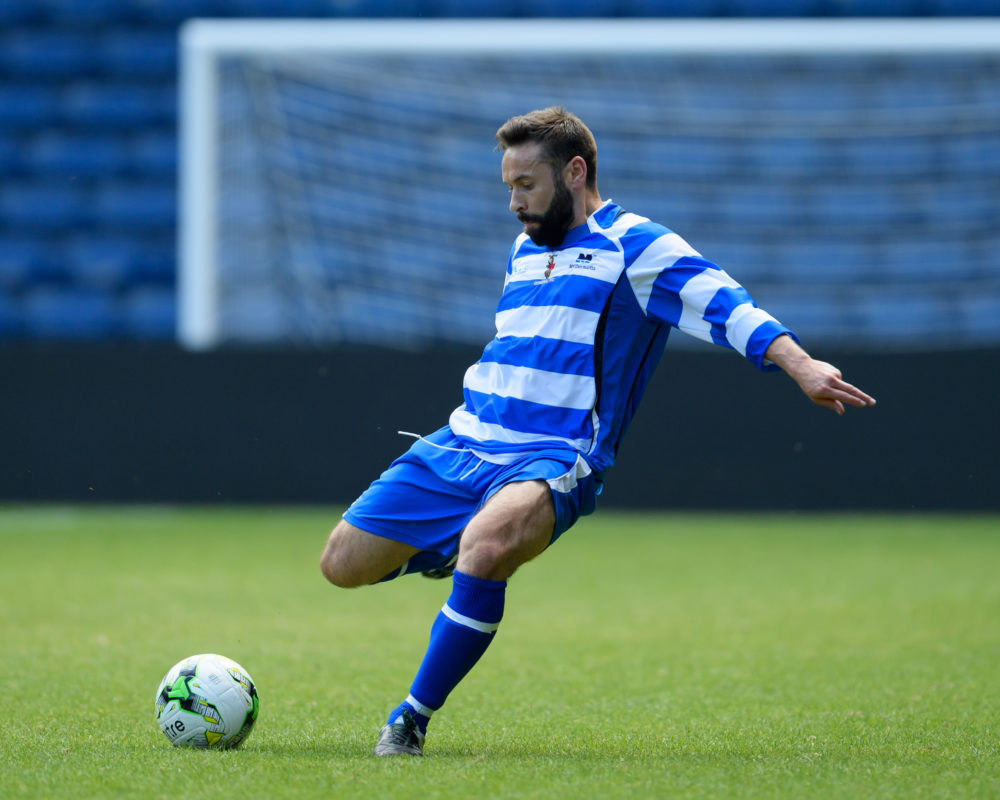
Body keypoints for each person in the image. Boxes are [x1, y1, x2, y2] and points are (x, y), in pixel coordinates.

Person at [319, 106, 876, 757]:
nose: (514, 201)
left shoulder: (638, 247)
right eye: (508, 187)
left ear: (574, 170)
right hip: (464, 440)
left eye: (526, 184)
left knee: (490, 546)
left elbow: (726, 305)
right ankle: (451, 549)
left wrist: (801, 364)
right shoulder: (526, 248)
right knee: (341, 565)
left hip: (554, 456)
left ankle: (409, 720)